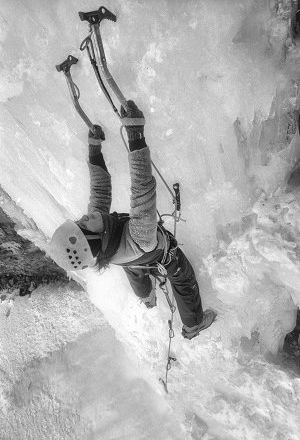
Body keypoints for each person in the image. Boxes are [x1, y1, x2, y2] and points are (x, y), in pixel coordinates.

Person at [50, 101, 216, 339]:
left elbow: (100, 191)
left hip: (131, 259)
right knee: (182, 279)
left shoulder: (99, 234)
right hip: (157, 253)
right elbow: (142, 190)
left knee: (135, 270)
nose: (85, 216)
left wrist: (94, 150)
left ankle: (148, 299)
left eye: (80, 221)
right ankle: (194, 326)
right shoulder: (138, 237)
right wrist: (135, 133)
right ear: (93, 240)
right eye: (84, 225)